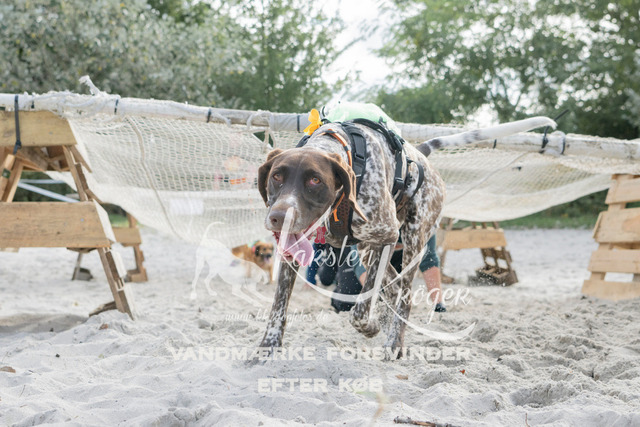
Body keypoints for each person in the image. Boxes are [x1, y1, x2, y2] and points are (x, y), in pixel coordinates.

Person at [330, 234, 446, 313]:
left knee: (393, 297)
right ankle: (336, 277)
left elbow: (428, 259)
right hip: (358, 251)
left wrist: (438, 304)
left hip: (396, 256)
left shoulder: (420, 216)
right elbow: (360, 261)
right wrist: (376, 296)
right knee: (347, 303)